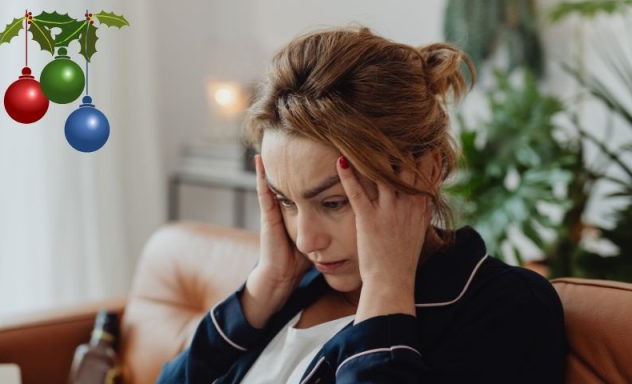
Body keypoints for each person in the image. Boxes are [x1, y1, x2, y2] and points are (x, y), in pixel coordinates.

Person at [156, 26, 566, 383]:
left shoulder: (505, 309)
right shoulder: (292, 289)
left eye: (333, 202)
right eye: (287, 202)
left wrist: (387, 293)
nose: (306, 239)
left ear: (424, 173)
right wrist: (263, 292)